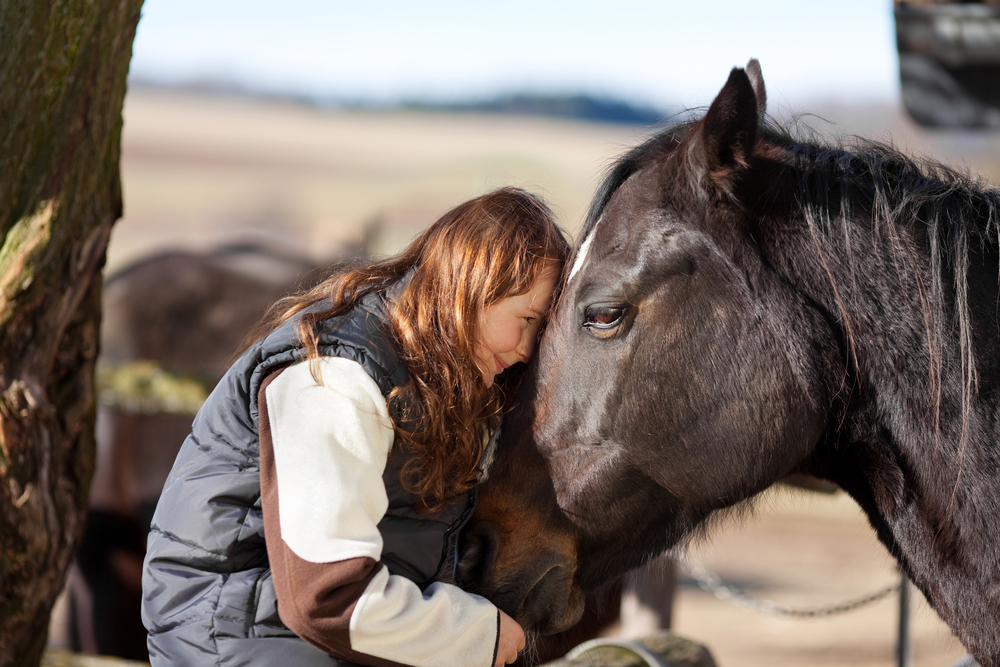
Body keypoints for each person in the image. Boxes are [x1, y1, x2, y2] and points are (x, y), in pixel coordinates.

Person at [141, 187, 570, 667]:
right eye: (526, 319)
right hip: (238, 643)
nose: (527, 350)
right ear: (469, 288)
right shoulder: (337, 377)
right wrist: (473, 636)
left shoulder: (427, 380)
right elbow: (326, 599)